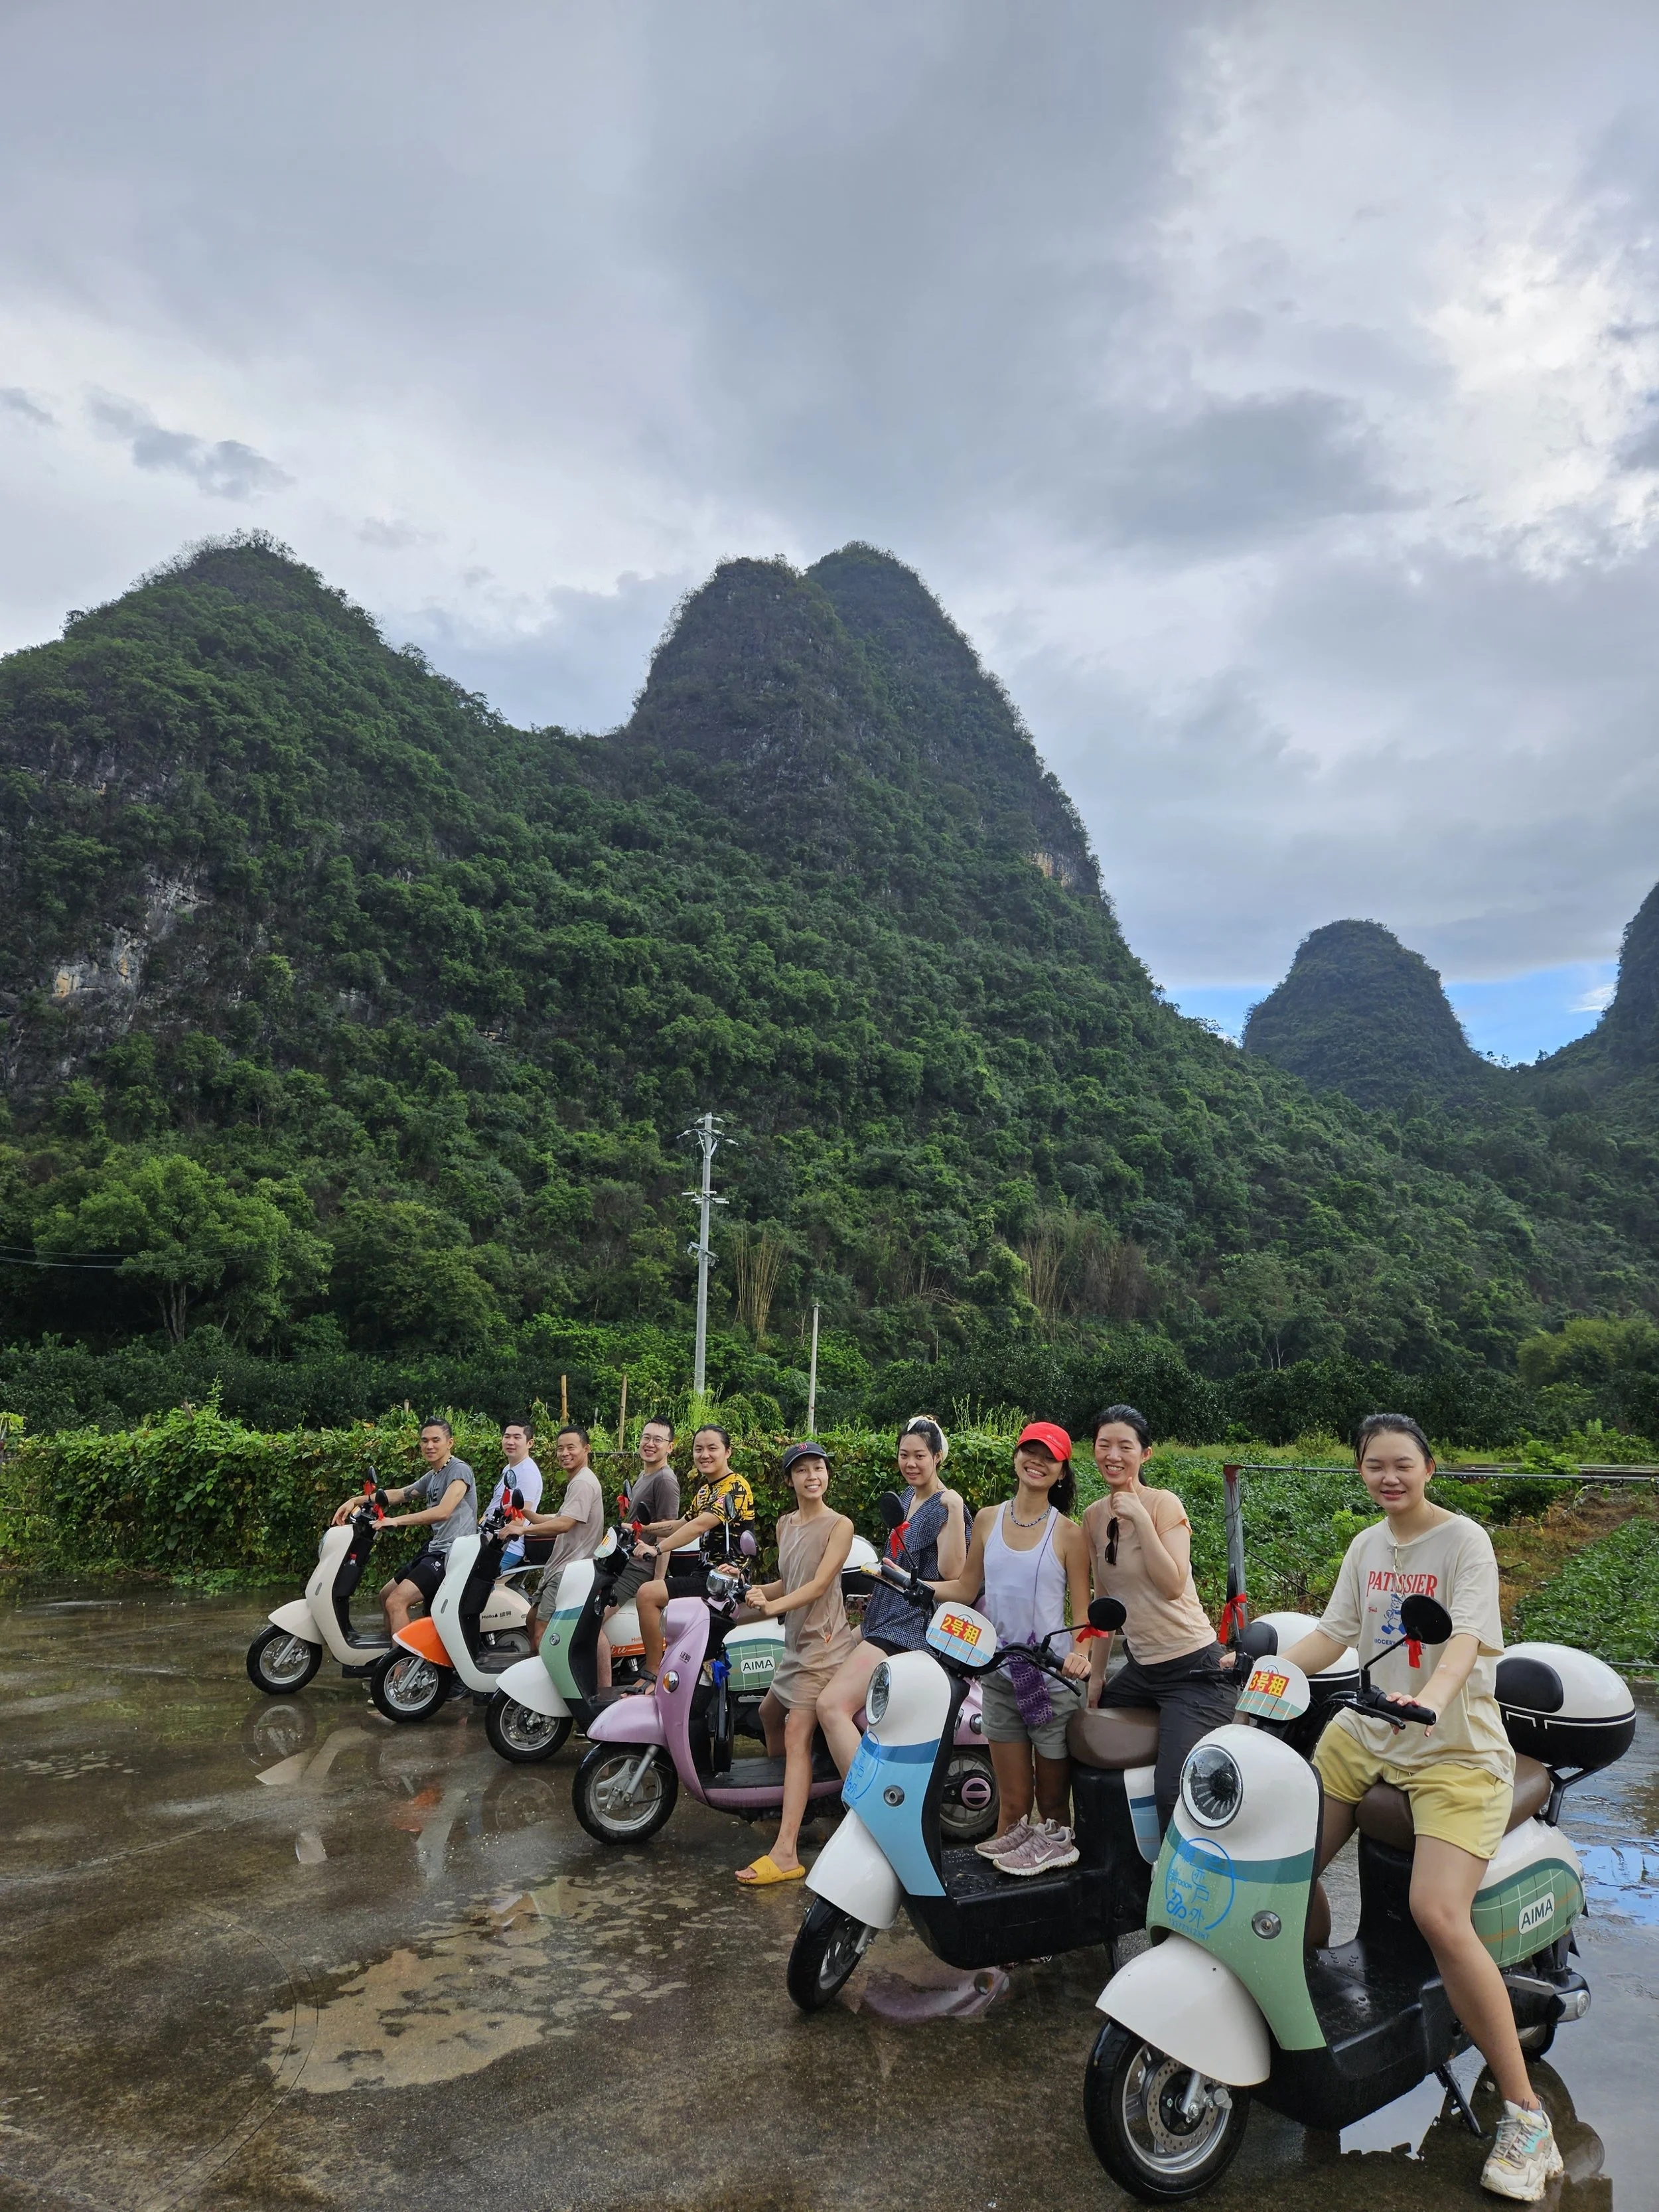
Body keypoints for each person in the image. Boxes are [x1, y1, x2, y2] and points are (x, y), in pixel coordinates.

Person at [1279, 1414, 1559, 2204]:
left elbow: (1464, 1638)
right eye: (1374, 1466)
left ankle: (1525, 2116)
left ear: (1428, 1467)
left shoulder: (1464, 1540)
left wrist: (1431, 1698)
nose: (1388, 1477)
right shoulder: (1368, 1546)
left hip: (1455, 1749)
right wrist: (1258, 1670)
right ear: (1362, 1472)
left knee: (1436, 1913)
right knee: (1281, 1861)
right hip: (1366, 1734)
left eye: (1402, 1464)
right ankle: (1301, 1995)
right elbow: (1334, 1633)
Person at [928, 1422, 1092, 1879]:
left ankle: (1053, 1909)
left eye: (1049, 1457)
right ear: (1016, 1457)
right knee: (1013, 1806)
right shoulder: (986, 1519)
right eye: (1030, 1451)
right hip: (998, 1676)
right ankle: (1004, 1916)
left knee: (1054, 1807)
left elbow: (1086, 1619)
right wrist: (914, 1586)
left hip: (1052, 1682)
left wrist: (1082, 1658)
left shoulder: (1070, 1534)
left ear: (1060, 1472)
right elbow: (965, 1586)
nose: (1037, 1461)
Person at [1082, 1404, 1236, 1835]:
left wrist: (1140, 1520)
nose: (1113, 1454)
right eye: (1104, 1444)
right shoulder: (1093, 1516)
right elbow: (1104, 1604)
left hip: (1194, 1669)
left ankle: (1181, 1881)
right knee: (1092, 1740)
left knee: (1174, 1790)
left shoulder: (1163, 1503)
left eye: (1124, 1446)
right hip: (1142, 1670)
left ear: (1145, 1454)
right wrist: (1096, 1679)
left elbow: (1172, 1583)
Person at [734, 1441, 857, 1886]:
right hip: (795, 1645)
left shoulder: (839, 1525)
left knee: (795, 1731)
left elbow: (821, 1583)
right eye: (802, 1470)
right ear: (789, 1480)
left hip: (824, 1646)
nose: (812, 1476)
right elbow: (792, 1579)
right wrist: (758, 1591)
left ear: (826, 1475)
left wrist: (773, 1605)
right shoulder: (786, 1523)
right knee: (767, 1713)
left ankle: (786, 1850)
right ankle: (792, 1806)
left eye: (819, 1468)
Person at [818, 1416, 967, 1776]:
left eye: (919, 1456)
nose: (910, 1464)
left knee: (830, 1706)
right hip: (881, 1617)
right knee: (819, 1667)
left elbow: (953, 1573)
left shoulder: (945, 1505)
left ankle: (871, 1805)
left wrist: (956, 1509)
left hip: (910, 1626)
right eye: (904, 1455)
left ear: (937, 1457)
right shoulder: (905, 1498)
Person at [632, 1424, 755, 1682]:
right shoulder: (705, 1490)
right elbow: (682, 1523)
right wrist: (642, 1528)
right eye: (699, 1449)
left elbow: (700, 1525)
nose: (704, 1455)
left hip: (725, 1579)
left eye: (713, 1448)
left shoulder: (735, 1487)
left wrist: (656, 1549)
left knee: (647, 1594)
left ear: (728, 1452)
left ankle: (653, 1672)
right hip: (705, 1574)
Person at [332, 1418, 476, 1637]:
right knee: (386, 1595)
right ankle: (389, 1657)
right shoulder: (433, 1476)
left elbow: (443, 1511)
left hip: (451, 1554)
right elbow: (400, 1494)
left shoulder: (459, 1471)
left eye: (436, 1440)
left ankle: (401, 1667)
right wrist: (356, 1500)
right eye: (425, 1441)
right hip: (434, 1549)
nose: (430, 1446)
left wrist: (396, 1521)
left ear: (450, 1443)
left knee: (396, 1602)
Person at [597, 1416, 682, 1688]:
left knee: (590, 1622)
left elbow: (668, 1532)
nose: (650, 1444)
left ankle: (603, 1693)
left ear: (671, 1447)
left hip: (638, 1570)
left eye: (658, 1440)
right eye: (647, 1438)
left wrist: (657, 1582)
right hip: (622, 1563)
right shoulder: (646, 1475)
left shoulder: (666, 1480)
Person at [518, 1426, 605, 1643]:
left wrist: (523, 1529)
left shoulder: (583, 1483)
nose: (564, 1453)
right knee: (532, 1619)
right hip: (560, 1568)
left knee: (542, 1632)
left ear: (586, 1449)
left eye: (571, 1448)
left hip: (568, 1570)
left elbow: (564, 1525)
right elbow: (559, 1519)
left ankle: (546, 1676)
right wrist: (524, 1513)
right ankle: (531, 1670)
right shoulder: (578, 1480)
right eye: (560, 1449)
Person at [488, 1421, 543, 1570]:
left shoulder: (527, 1473)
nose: (510, 1442)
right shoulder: (510, 1468)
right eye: (507, 1437)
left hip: (506, 1547)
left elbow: (519, 1519)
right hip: (491, 1542)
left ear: (530, 1443)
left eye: (517, 1438)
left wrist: (493, 1540)